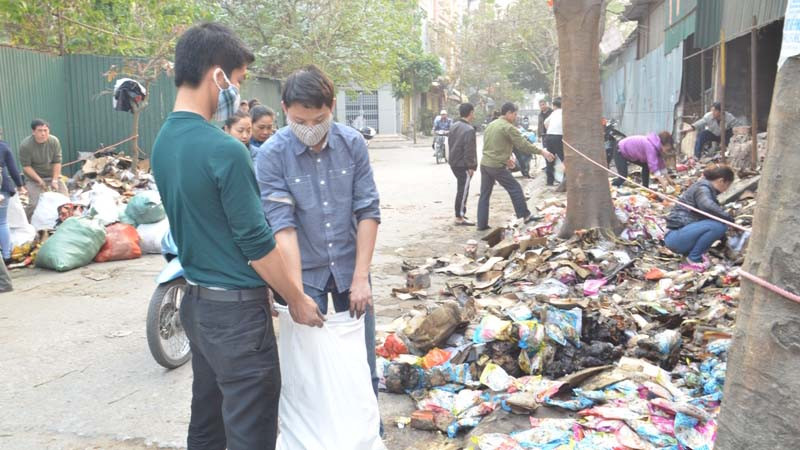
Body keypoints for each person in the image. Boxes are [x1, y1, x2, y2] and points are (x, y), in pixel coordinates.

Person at [150, 22, 324, 450]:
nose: (239, 94)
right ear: (218, 77)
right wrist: (296, 299)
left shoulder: (163, 141)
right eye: (239, 79)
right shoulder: (225, 149)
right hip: (238, 319)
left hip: (198, 307)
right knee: (250, 433)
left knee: (208, 427)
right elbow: (256, 243)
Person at [256, 64, 382, 425]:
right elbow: (283, 228)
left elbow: (367, 210)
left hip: (349, 266)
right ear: (284, 109)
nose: (310, 129)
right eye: (300, 120)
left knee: (362, 365)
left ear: (332, 107)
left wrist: (361, 278)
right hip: (304, 272)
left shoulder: (352, 143)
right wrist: (295, 294)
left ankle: (369, 436)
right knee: (308, 374)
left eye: (319, 119)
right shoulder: (271, 155)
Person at [477, 102, 555, 231]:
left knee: (484, 194)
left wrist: (506, 159)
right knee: (515, 188)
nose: (516, 116)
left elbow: (492, 145)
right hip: (496, 166)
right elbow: (523, 145)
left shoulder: (491, 125)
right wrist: (542, 152)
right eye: (514, 114)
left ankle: (481, 224)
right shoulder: (508, 127)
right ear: (508, 113)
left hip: (485, 164)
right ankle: (525, 215)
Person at [664, 164, 735, 272]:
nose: (726, 190)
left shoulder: (705, 188)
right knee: (719, 226)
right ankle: (693, 258)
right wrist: (730, 220)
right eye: (728, 185)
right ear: (721, 181)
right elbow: (707, 206)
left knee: (719, 225)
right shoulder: (703, 188)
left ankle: (692, 255)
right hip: (675, 237)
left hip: (680, 236)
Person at [18, 119, 68, 218]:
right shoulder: (26, 145)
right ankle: (27, 223)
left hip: (52, 175)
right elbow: (26, 167)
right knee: (34, 204)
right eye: (40, 130)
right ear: (33, 132)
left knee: (65, 200)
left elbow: (57, 161)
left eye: (46, 130)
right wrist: (39, 180)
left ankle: (65, 222)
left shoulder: (54, 141)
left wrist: (55, 179)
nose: (43, 133)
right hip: (33, 179)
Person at [448, 103, 478, 226]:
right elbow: (469, 149)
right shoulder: (469, 129)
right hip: (463, 164)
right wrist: (471, 166)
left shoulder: (454, 126)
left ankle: (460, 213)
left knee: (461, 188)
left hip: (454, 162)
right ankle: (459, 216)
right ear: (470, 112)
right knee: (463, 190)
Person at [0, 135, 26, 265]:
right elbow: (13, 168)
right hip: (3, 187)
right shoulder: (3, 146)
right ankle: (6, 256)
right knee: (2, 222)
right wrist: (20, 185)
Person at [543, 97, 564, 186]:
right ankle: (565, 179)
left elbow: (545, 123)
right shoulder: (564, 112)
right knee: (564, 158)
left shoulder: (553, 113)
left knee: (549, 158)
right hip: (559, 137)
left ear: (554, 106)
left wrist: (550, 130)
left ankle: (549, 181)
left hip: (549, 136)